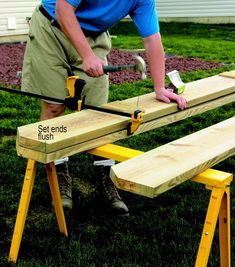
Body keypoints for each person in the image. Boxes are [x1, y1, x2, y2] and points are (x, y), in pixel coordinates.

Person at [21, 0, 187, 217]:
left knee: (99, 113)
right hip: (51, 29)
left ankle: (104, 176)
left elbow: (152, 39)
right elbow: (63, 9)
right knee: (54, 107)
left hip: (94, 35)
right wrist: (87, 56)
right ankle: (58, 172)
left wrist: (158, 88)